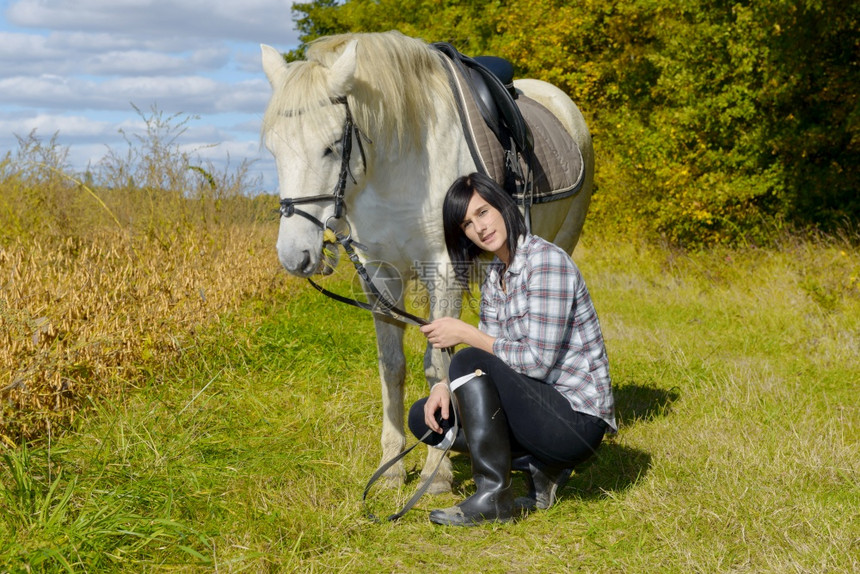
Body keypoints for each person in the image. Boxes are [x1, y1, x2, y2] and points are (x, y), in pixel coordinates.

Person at [409, 172, 616, 526]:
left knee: (469, 357)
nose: (480, 227)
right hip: (536, 408)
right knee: (426, 419)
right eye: (467, 224)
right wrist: (443, 387)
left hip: (576, 421)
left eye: (483, 212)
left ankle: (493, 497)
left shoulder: (546, 261)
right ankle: (540, 466)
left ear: (502, 206)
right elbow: (490, 364)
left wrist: (465, 333)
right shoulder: (496, 275)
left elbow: (535, 362)